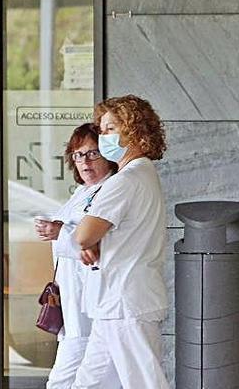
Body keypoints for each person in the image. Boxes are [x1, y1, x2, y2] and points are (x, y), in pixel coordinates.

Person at [70, 95, 169, 389]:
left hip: (125, 301)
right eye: (102, 130)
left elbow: (83, 234)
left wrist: (89, 241)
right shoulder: (144, 175)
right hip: (118, 301)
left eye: (110, 129)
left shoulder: (124, 181)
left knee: (144, 383)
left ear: (135, 131)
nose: (103, 137)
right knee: (89, 383)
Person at [34, 123, 120, 389]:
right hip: (73, 305)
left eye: (93, 153)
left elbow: (97, 245)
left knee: (63, 381)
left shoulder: (112, 190)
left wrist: (60, 231)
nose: (85, 162)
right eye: (78, 155)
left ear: (108, 155)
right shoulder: (82, 192)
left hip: (89, 305)